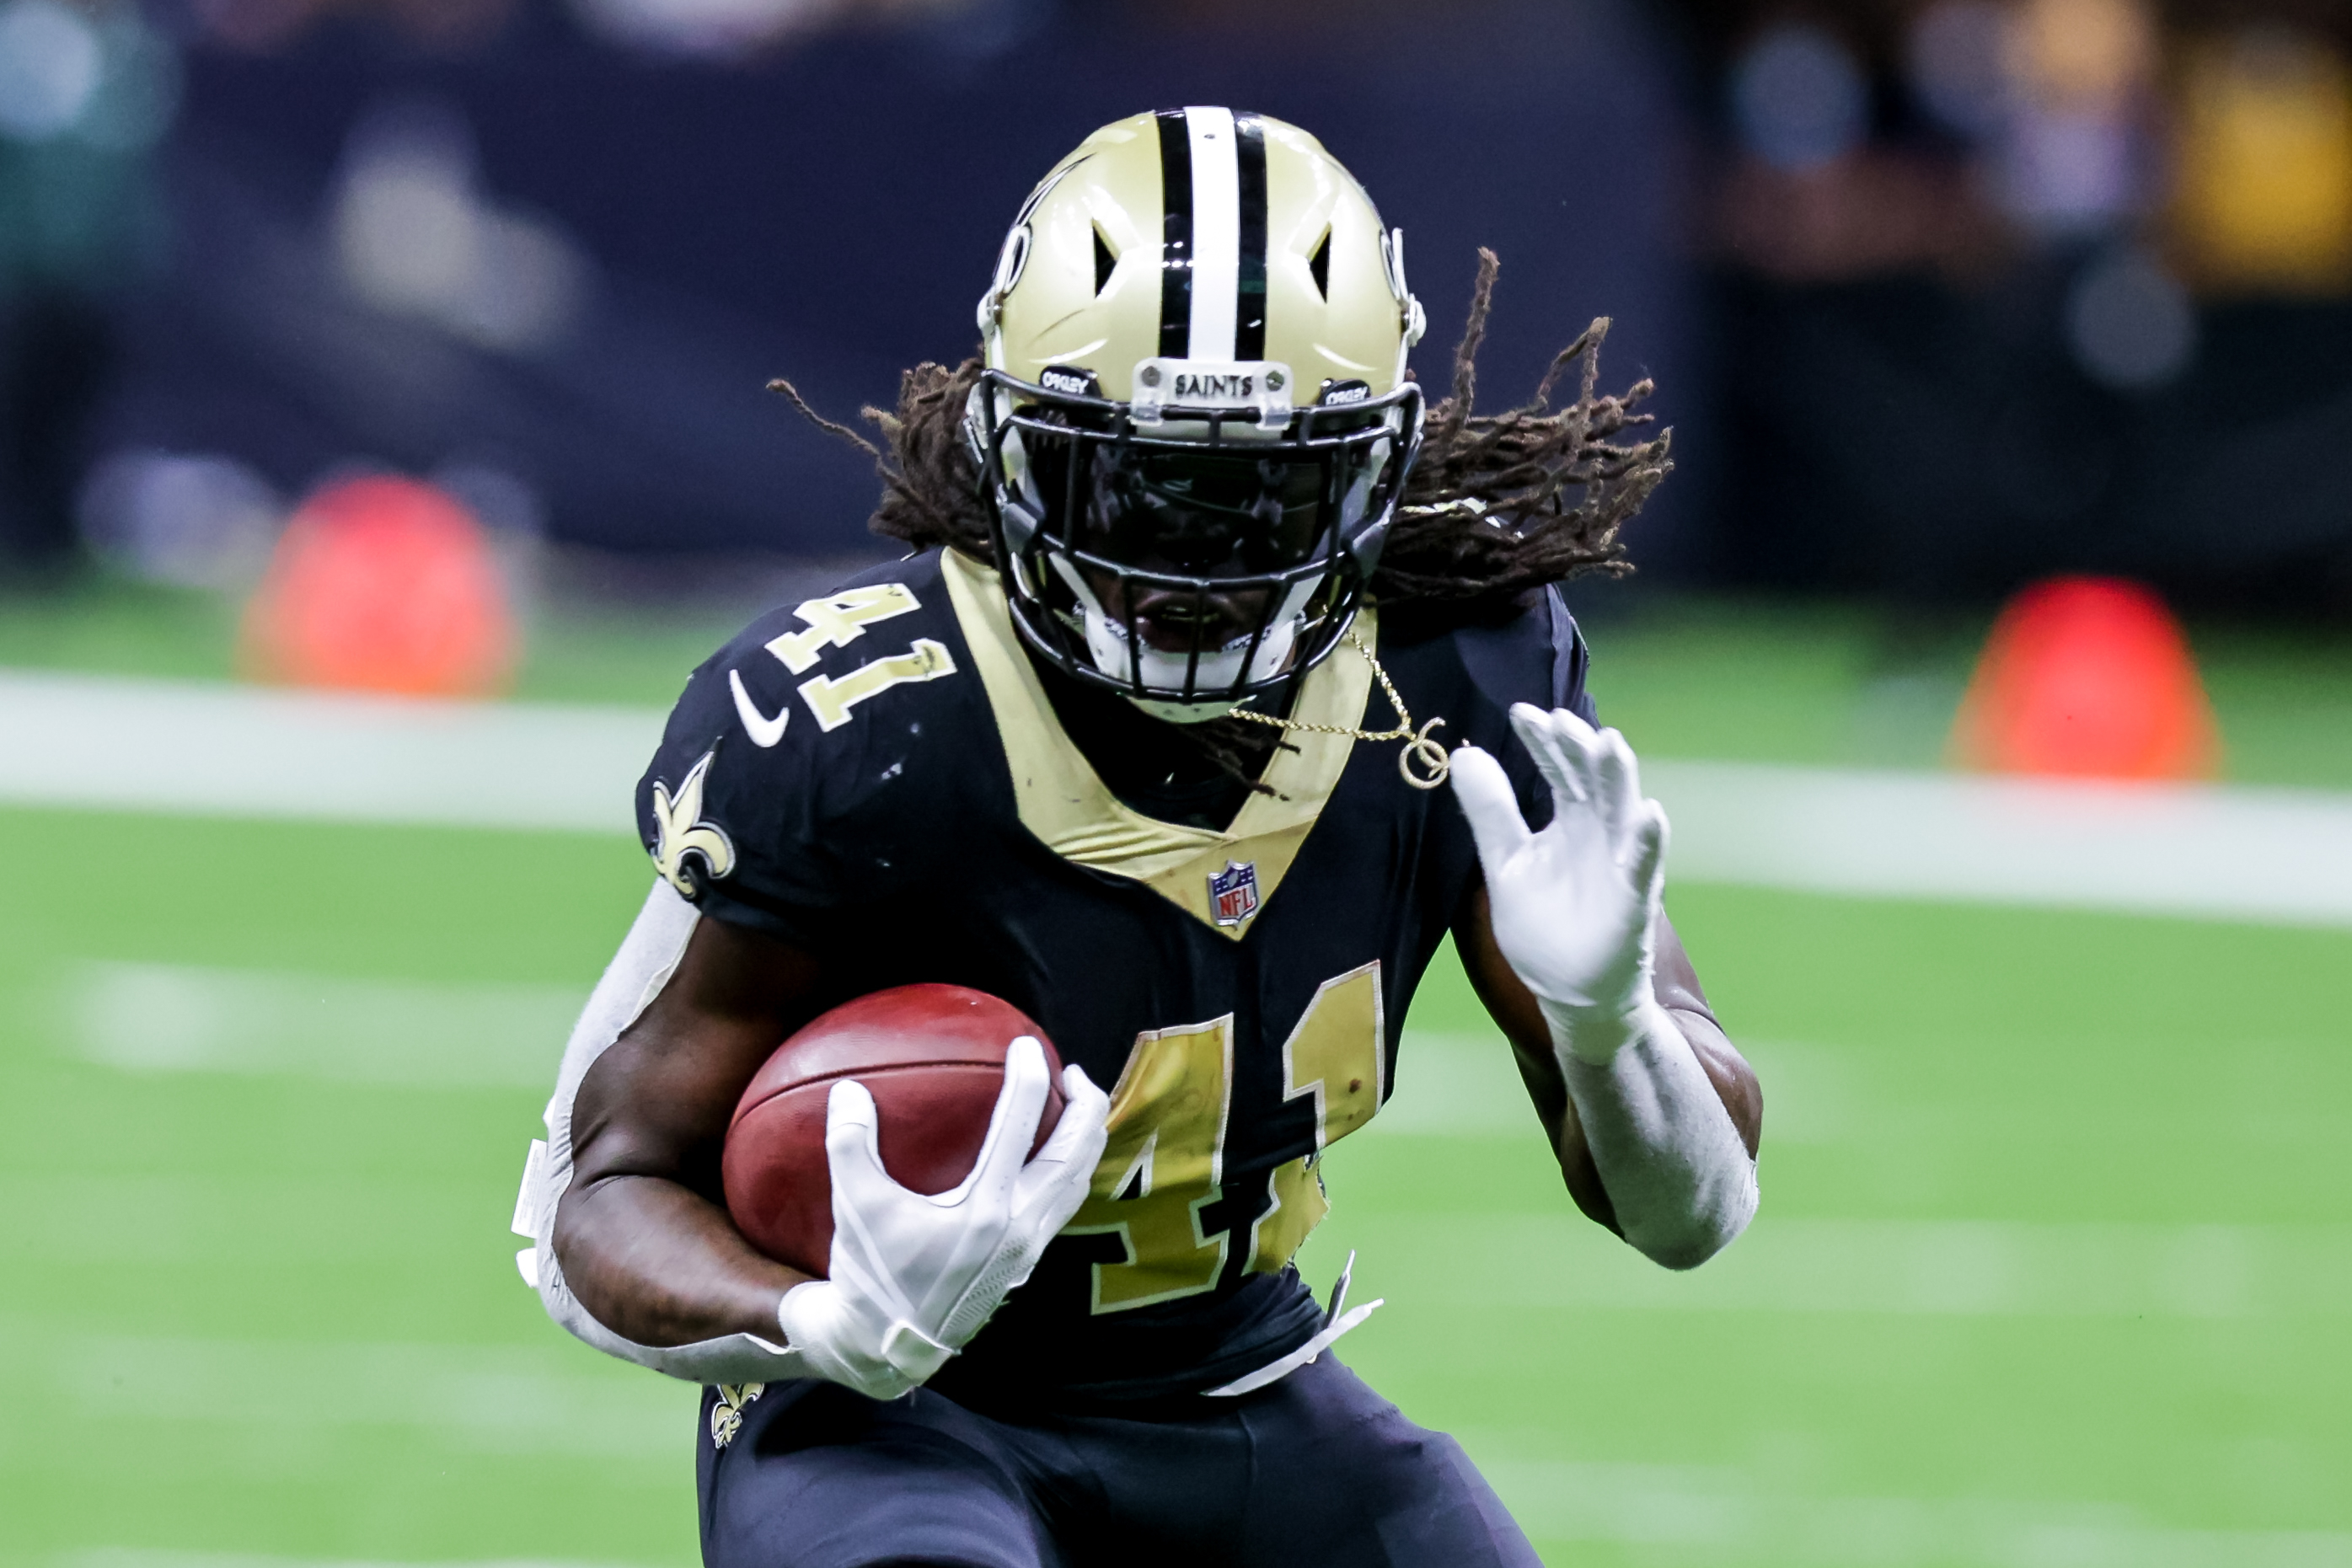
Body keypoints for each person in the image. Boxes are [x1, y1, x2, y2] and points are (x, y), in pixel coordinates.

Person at [512, 108, 1762, 1568]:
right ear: (1009, 443)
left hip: (1241, 1381)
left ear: (1373, 472)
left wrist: (1613, 1035)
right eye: (1133, 479)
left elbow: (1691, 1221)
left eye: (1262, 495)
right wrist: (818, 1321)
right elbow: (591, 1201)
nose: (1187, 562)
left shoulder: (1454, 666)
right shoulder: (866, 723)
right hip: (896, 1414)